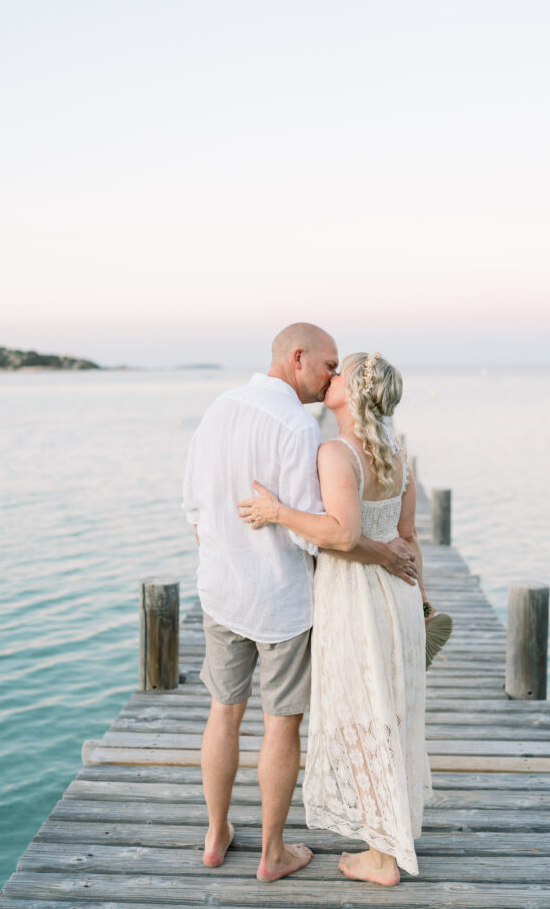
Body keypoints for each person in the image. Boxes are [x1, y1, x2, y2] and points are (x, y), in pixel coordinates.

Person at [182, 327, 419, 883]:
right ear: (298, 359)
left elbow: (193, 507)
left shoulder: (219, 408)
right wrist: (385, 554)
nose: (330, 376)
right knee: (280, 725)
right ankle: (272, 852)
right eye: (327, 365)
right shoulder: (298, 426)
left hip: (221, 590)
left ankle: (215, 835)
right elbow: (324, 535)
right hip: (282, 599)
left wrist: (225, 556)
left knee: (223, 711)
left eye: (339, 370)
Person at [239, 351, 433, 885]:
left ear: (355, 391)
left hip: (355, 597)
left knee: (360, 717)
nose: (331, 377)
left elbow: (341, 534)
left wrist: (277, 512)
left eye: (340, 372)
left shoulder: (336, 452)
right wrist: (422, 597)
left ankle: (382, 857)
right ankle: (384, 842)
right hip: (397, 594)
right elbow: (409, 537)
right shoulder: (398, 455)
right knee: (390, 713)